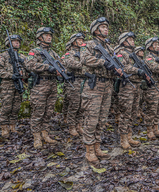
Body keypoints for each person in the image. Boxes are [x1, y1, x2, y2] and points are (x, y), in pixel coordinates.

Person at [80, 17, 123, 166]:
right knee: (91, 120)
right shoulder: (89, 44)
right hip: (94, 86)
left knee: (102, 119)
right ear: (96, 29)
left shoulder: (110, 47)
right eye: (103, 27)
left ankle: (97, 147)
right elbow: (84, 59)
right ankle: (89, 150)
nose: (106, 29)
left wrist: (118, 70)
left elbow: (116, 62)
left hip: (107, 86)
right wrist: (103, 62)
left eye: (106, 27)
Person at [25, 27, 61, 148]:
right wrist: (47, 67)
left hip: (52, 84)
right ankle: (36, 137)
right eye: (46, 35)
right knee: (38, 111)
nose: (49, 37)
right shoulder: (34, 51)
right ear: (40, 37)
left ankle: (45, 133)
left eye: (50, 35)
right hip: (40, 85)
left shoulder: (53, 53)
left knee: (49, 111)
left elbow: (61, 63)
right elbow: (29, 65)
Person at [116, 32, 150, 149]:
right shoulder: (121, 53)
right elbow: (123, 66)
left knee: (134, 112)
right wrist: (137, 70)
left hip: (136, 85)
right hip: (127, 86)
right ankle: (123, 138)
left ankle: (129, 136)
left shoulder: (133, 54)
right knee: (126, 112)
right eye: (130, 39)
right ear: (124, 41)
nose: (133, 41)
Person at [0, 34, 27, 138]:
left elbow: (28, 70)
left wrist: (22, 74)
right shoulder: (3, 56)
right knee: (6, 107)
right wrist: (10, 75)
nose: (17, 43)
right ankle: (4, 128)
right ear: (8, 43)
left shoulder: (21, 57)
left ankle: (12, 126)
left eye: (18, 41)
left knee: (16, 106)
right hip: (7, 84)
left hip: (18, 83)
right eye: (14, 41)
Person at [61, 33, 85, 137]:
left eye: (82, 40)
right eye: (79, 40)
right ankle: (71, 126)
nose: (81, 41)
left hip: (84, 81)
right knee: (74, 104)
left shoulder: (84, 53)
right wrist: (85, 65)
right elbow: (70, 63)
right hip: (73, 81)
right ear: (73, 42)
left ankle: (79, 125)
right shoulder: (69, 54)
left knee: (82, 105)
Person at [62, 41, 71, 124]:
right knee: (67, 100)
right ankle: (65, 115)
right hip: (67, 81)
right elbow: (62, 66)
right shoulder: (66, 56)